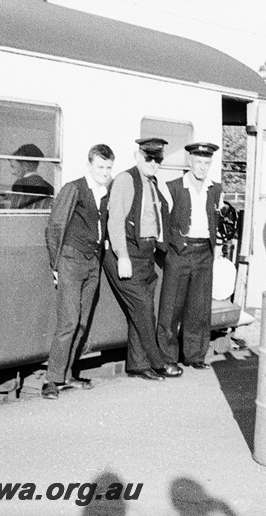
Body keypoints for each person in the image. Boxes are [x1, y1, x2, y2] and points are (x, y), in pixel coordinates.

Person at [103, 138, 181, 381]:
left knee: (142, 310)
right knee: (144, 310)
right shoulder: (127, 179)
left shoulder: (152, 182)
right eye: (149, 158)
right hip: (128, 252)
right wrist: (122, 256)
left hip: (146, 253)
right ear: (138, 156)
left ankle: (138, 365)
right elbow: (115, 219)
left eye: (158, 159)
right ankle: (159, 363)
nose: (154, 163)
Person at [41, 144, 114, 400]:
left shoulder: (106, 191)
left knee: (82, 322)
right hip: (71, 261)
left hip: (92, 262)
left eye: (108, 167)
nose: (104, 172)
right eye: (100, 167)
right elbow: (55, 226)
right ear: (89, 166)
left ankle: (68, 375)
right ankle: (51, 380)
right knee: (68, 322)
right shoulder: (75, 188)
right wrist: (55, 265)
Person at [157, 142, 222, 371]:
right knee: (172, 306)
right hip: (180, 252)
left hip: (204, 251)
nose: (203, 167)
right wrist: (170, 248)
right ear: (189, 162)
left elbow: (217, 221)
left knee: (199, 307)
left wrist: (217, 249)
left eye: (207, 162)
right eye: (199, 162)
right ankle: (167, 358)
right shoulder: (173, 187)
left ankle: (194, 356)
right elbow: (162, 221)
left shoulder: (215, 189)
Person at [8, 143, 54, 209]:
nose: (12, 172)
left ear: (25, 166)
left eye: (13, 167)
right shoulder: (49, 187)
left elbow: (13, 214)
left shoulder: (20, 185)